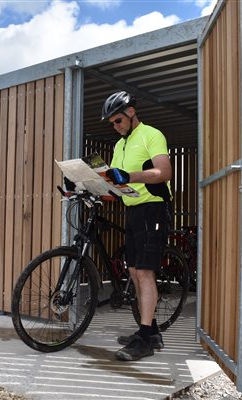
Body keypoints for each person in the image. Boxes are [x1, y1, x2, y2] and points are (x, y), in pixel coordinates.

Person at [102, 91, 172, 361]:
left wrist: (129, 175)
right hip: (132, 210)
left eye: (117, 120)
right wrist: (87, 188)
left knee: (144, 272)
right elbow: (117, 185)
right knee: (133, 270)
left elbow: (163, 172)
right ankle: (151, 331)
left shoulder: (152, 135)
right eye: (111, 123)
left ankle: (144, 341)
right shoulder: (120, 145)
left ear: (130, 112)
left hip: (153, 208)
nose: (115, 126)